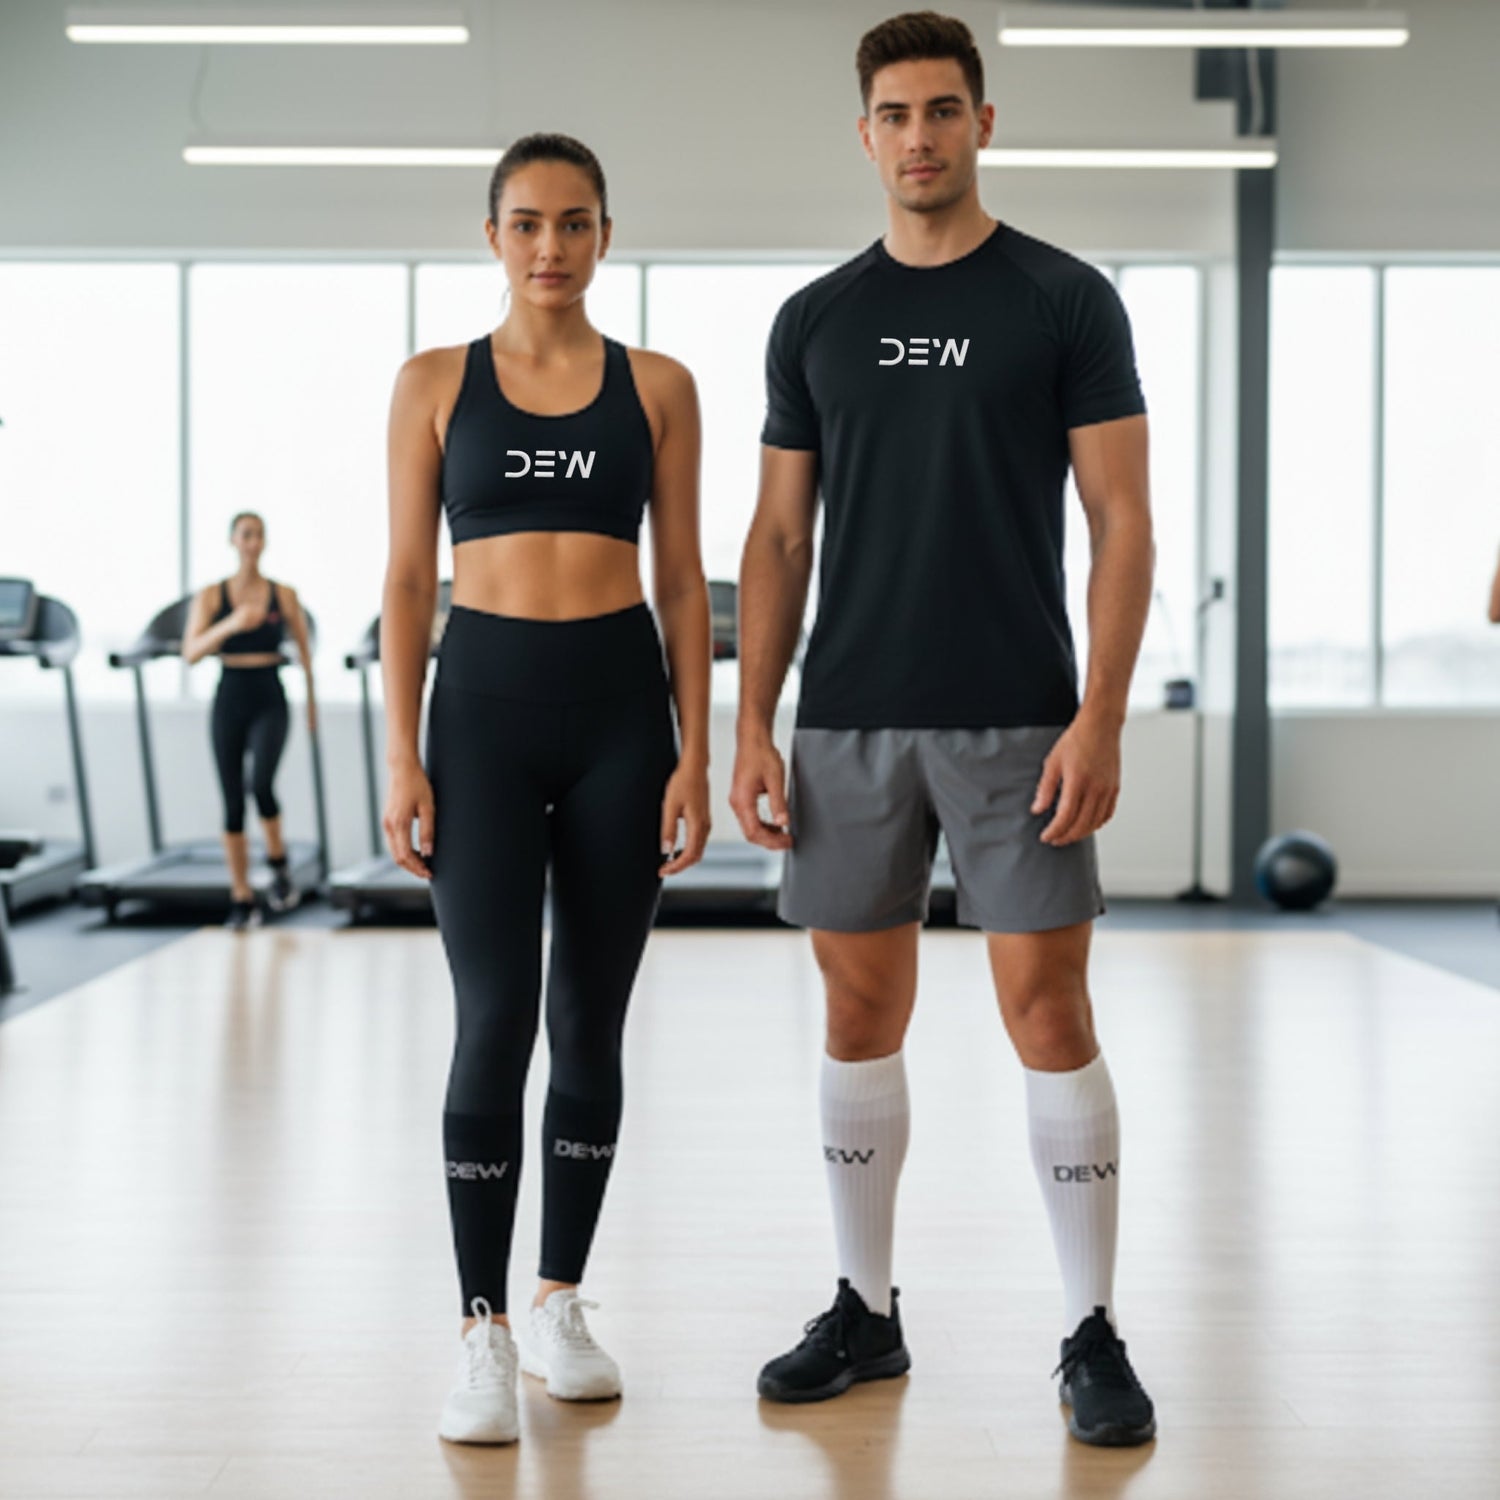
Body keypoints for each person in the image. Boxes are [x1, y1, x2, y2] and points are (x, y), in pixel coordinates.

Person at [730, 12, 1158, 1447]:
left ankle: (1091, 1332)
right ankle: (866, 1309)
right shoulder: (815, 320)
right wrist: (751, 725)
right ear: (866, 135)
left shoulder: (1063, 300)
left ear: (986, 122)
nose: (920, 135)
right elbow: (779, 541)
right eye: (895, 114)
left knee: (1050, 1015)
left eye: (944, 110)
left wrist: (1099, 716)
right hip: (847, 721)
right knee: (859, 1015)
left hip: (1021, 721)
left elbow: (1121, 524)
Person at [380, 133, 711, 1446]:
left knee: (590, 1018)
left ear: (605, 235)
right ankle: (481, 1327)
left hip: (624, 715)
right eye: (526, 224)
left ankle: (560, 1298)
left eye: (574, 224)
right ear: (493, 237)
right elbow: (409, 584)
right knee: (494, 1016)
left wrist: (697, 742)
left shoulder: (663, 386)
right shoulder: (430, 385)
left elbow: (683, 578)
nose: (551, 248)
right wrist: (399, 751)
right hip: (482, 719)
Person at [181, 510, 316, 930]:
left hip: (270, 694)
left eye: (259, 535)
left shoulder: (283, 595)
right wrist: (233, 623)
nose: (253, 542)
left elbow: (306, 657)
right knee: (233, 799)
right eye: (246, 535)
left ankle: (278, 865)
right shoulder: (212, 596)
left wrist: (311, 706)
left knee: (262, 784)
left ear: (265, 541)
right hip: (230, 692)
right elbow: (191, 652)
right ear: (233, 541)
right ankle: (241, 897)